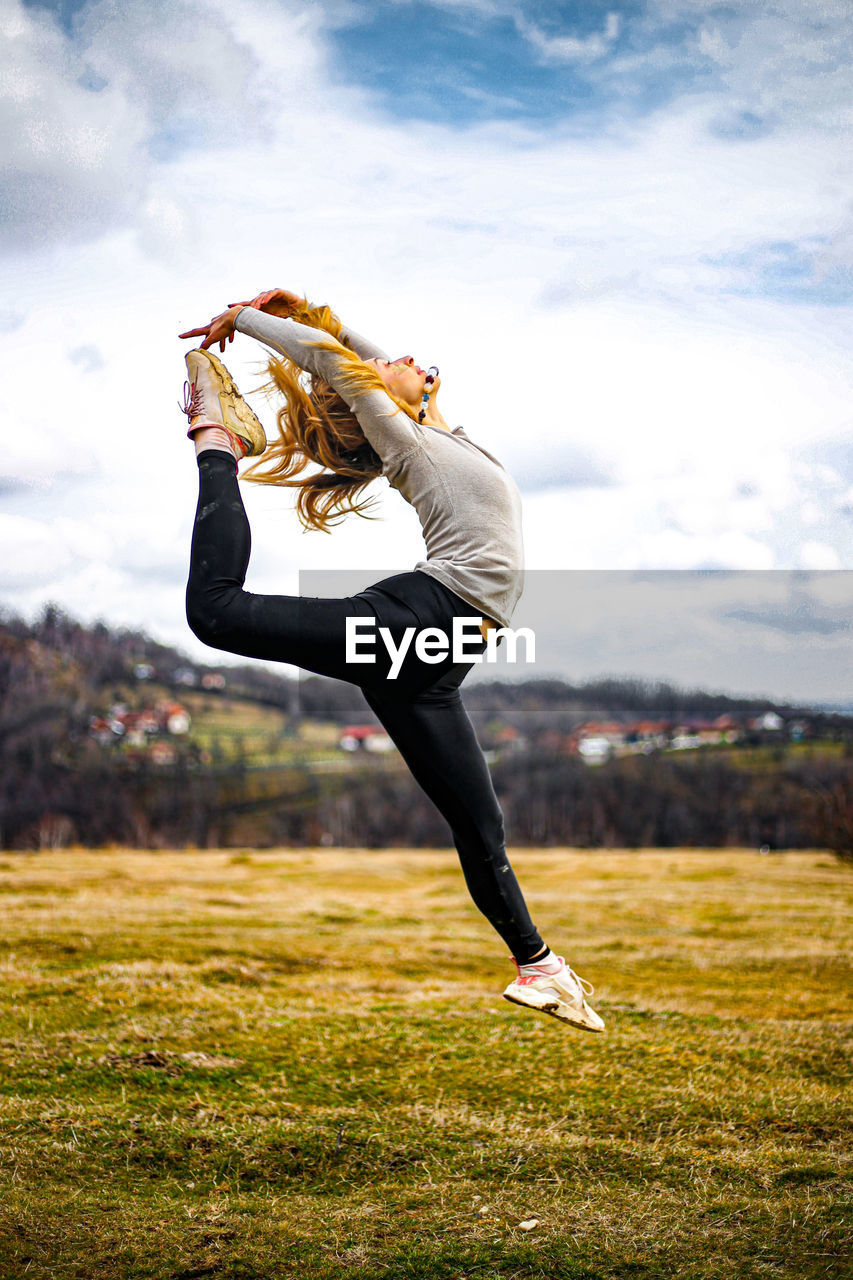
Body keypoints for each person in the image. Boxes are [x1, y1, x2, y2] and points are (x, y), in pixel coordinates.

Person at [178, 288, 604, 1033]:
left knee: (480, 827)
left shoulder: (439, 431)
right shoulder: (401, 436)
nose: (400, 359)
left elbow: (364, 359)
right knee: (214, 611)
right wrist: (246, 321)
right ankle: (218, 439)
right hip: (416, 623)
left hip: (435, 660)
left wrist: (320, 312)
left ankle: (540, 969)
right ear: (372, 396)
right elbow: (339, 365)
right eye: (381, 366)